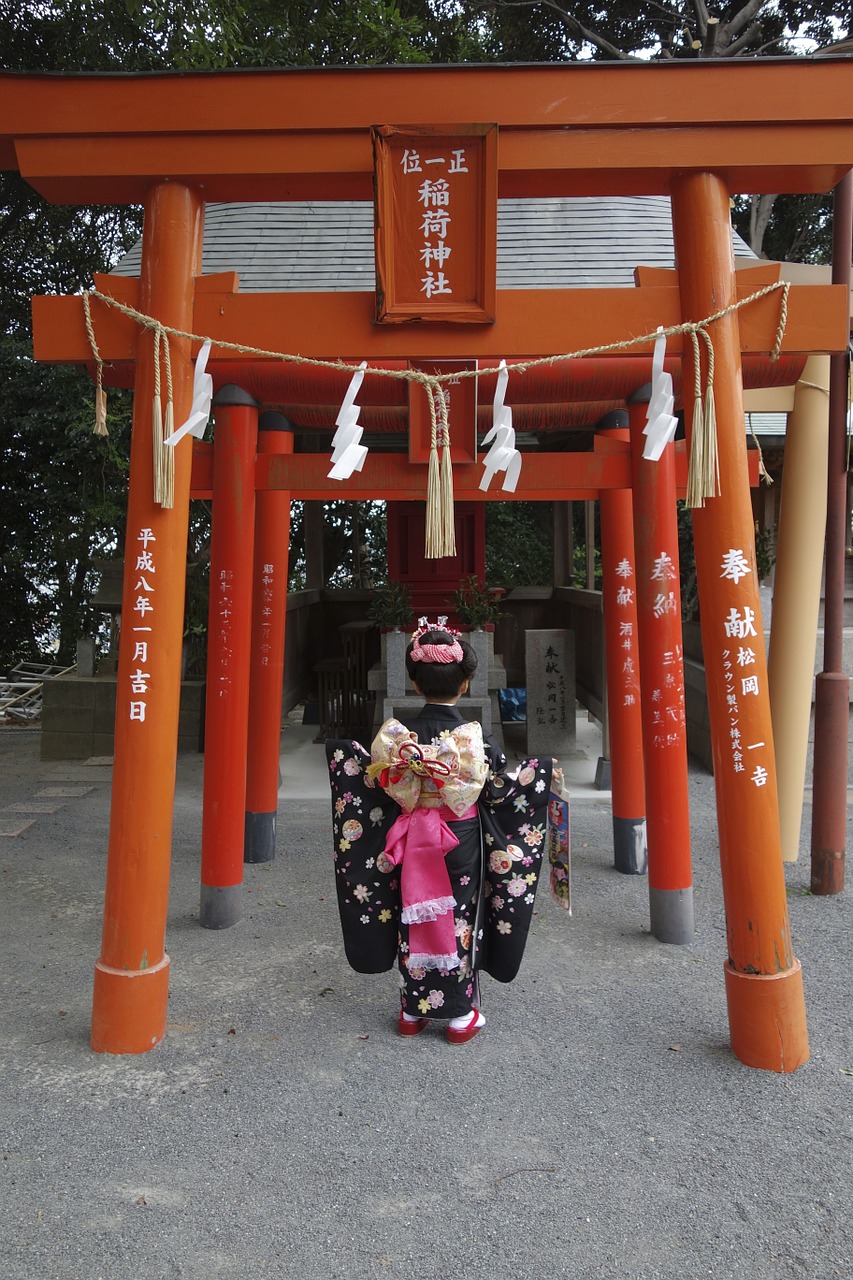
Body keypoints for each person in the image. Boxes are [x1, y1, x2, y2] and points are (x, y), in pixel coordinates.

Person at [327, 617, 560, 1045]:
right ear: (466, 684)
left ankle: (411, 1011)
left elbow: (374, 784)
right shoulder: (477, 739)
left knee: (411, 911)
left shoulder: (396, 738)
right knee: (459, 915)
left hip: (409, 837)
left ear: (415, 684)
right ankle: (459, 1016)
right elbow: (497, 790)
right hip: (461, 838)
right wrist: (540, 775)